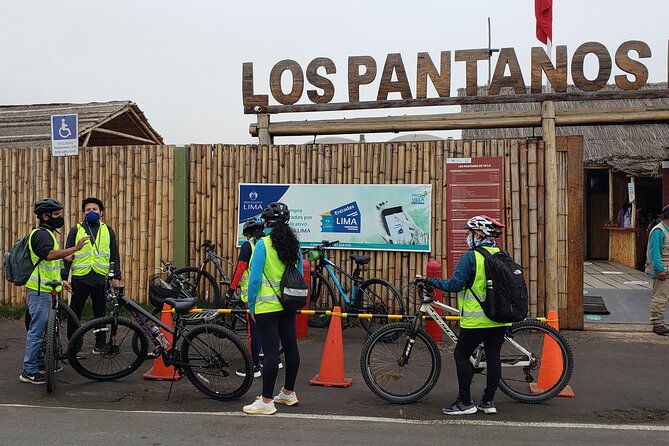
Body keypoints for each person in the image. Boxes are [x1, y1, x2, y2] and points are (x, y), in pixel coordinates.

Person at [421, 215, 509, 415]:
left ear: (478, 234)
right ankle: (488, 402)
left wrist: (432, 281)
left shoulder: (472, 257)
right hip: (499, 317)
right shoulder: (501, 254)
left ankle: (465, 402)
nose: (468, 237)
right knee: (494, 356)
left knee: (461, 354)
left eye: (469, 232)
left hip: (476, 320)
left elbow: (455, 285)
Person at [242, 202, 303, 415]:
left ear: (266, 223)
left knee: (269, 353)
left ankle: (266, 401)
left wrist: (251, 306)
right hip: (289, 304)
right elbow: (300, 276)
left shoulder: (263, 245)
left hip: (267, 307)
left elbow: (254, 279)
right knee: (291, 347)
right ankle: (288, 393)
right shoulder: (295, 245)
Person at [21, 198, 89, 384]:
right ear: (45, 216)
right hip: (39, 291)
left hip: (48, 289)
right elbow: (48, 255)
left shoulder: (48, 234)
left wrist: (60, 280)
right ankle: (29, 370)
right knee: (37, 330)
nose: (60, 218)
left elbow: (46, 263)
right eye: (57, 214)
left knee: (43, 330)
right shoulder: (42, 234)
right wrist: (74, 248)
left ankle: (41, 362)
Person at [62, 197, 122, 347]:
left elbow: (114, 254)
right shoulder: (76, 229)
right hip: (80, 278)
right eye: (88, 210)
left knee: (100, 314)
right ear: (84, 212)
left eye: (95, 209)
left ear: (101, 212)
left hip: (101, 278)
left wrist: (116, 275)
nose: (91, 212)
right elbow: (67, 255)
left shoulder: (108, 230)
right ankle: (74, 347)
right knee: (75, 314)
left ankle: (100, 345)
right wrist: (63, 277)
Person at [228, 217, 266, 378]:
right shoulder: (268, 244)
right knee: (269, 327)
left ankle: (254, 366)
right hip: (272, 295)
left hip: (253, 294)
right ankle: (273, 359)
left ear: (248, 233)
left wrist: (231, 289)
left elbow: (240, 269)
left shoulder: (248, 246)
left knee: (254, 330)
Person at [644, 204, 669, 336]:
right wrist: (660, 270)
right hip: (663, 271)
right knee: (660, 297)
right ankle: (657, 323)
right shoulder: (658, 231)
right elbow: (655, 253)